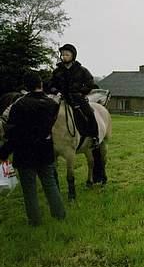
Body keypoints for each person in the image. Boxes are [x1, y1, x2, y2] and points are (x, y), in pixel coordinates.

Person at [0, 72, 65, 226]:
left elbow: (13, 133)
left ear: (26, 87)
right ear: (40, 84)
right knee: (50, 184)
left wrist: (3, 153)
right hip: (45, 150)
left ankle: (35, 221)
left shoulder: (19, 106)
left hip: (25, 153)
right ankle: (60, 215)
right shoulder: (52, 104)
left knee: (29, 190)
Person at [47, 44, 99, 148]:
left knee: (89, 113)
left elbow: (90, 84)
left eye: (67, 54)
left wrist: (80, 92)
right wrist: (56, 91)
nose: (64, 56)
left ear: (73, 56)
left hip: (77, 97)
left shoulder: (82, 70)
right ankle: (47, 134)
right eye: (62, 54)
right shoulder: (57, 71)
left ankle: (94, 137)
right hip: (59, 97)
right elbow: (50, 85)